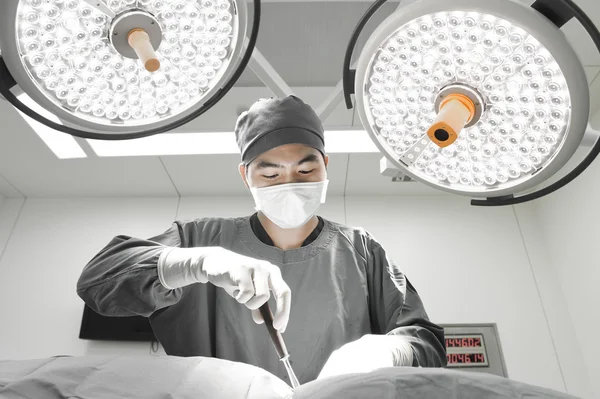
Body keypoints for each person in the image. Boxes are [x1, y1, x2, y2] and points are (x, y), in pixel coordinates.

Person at [77, 95, 447, 385]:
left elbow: (427, 345)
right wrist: (198, 263)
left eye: (305, 169)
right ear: (245, 176)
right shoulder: (197, 238)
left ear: (325, 166)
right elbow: (97, 282)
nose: (290, 184)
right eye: (270, 175)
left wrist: (387, 350)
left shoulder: (363, 251)